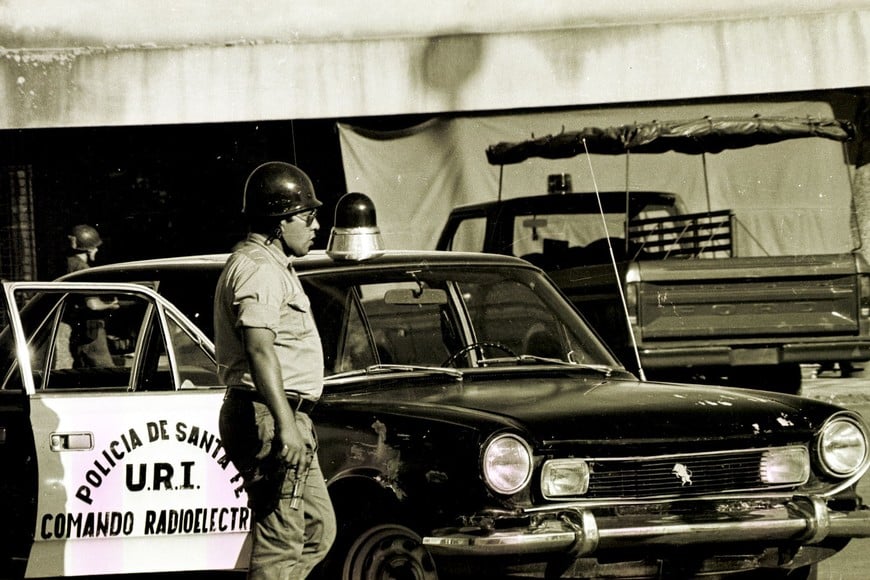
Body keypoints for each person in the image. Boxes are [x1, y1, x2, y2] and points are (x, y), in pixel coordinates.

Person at [215, 161, 336, 579]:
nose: (316, 226)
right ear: (280, 222)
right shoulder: (261, 269)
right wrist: (286, 425)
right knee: (281, 540)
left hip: (282, 414)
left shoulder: (271, 265)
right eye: (307, 217)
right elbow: (260, 350)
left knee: (318, 529)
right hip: (270, 415)